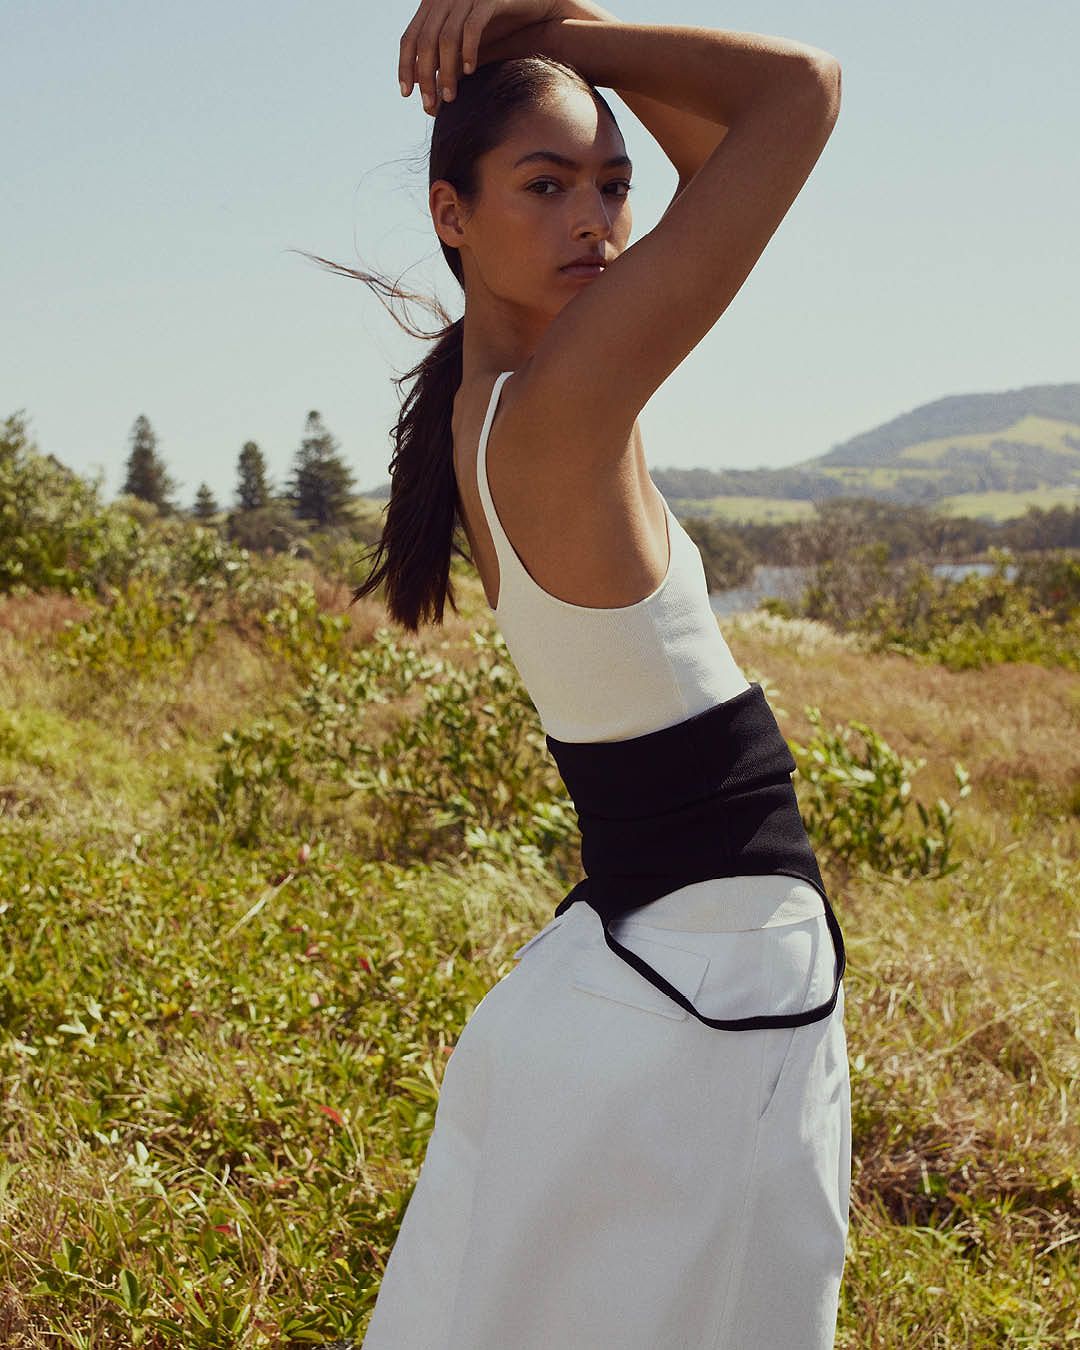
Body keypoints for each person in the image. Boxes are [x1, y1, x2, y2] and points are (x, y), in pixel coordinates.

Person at [334, 2, 847, 1345]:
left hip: (652, 946)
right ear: (452, 215)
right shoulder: (561, 402)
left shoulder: (492, 401)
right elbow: (799, 95)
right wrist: (557, 23)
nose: (596, 219)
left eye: (613, 186)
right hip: (716, 963)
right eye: (545, 185)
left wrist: (543, 57)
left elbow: (727, 162)